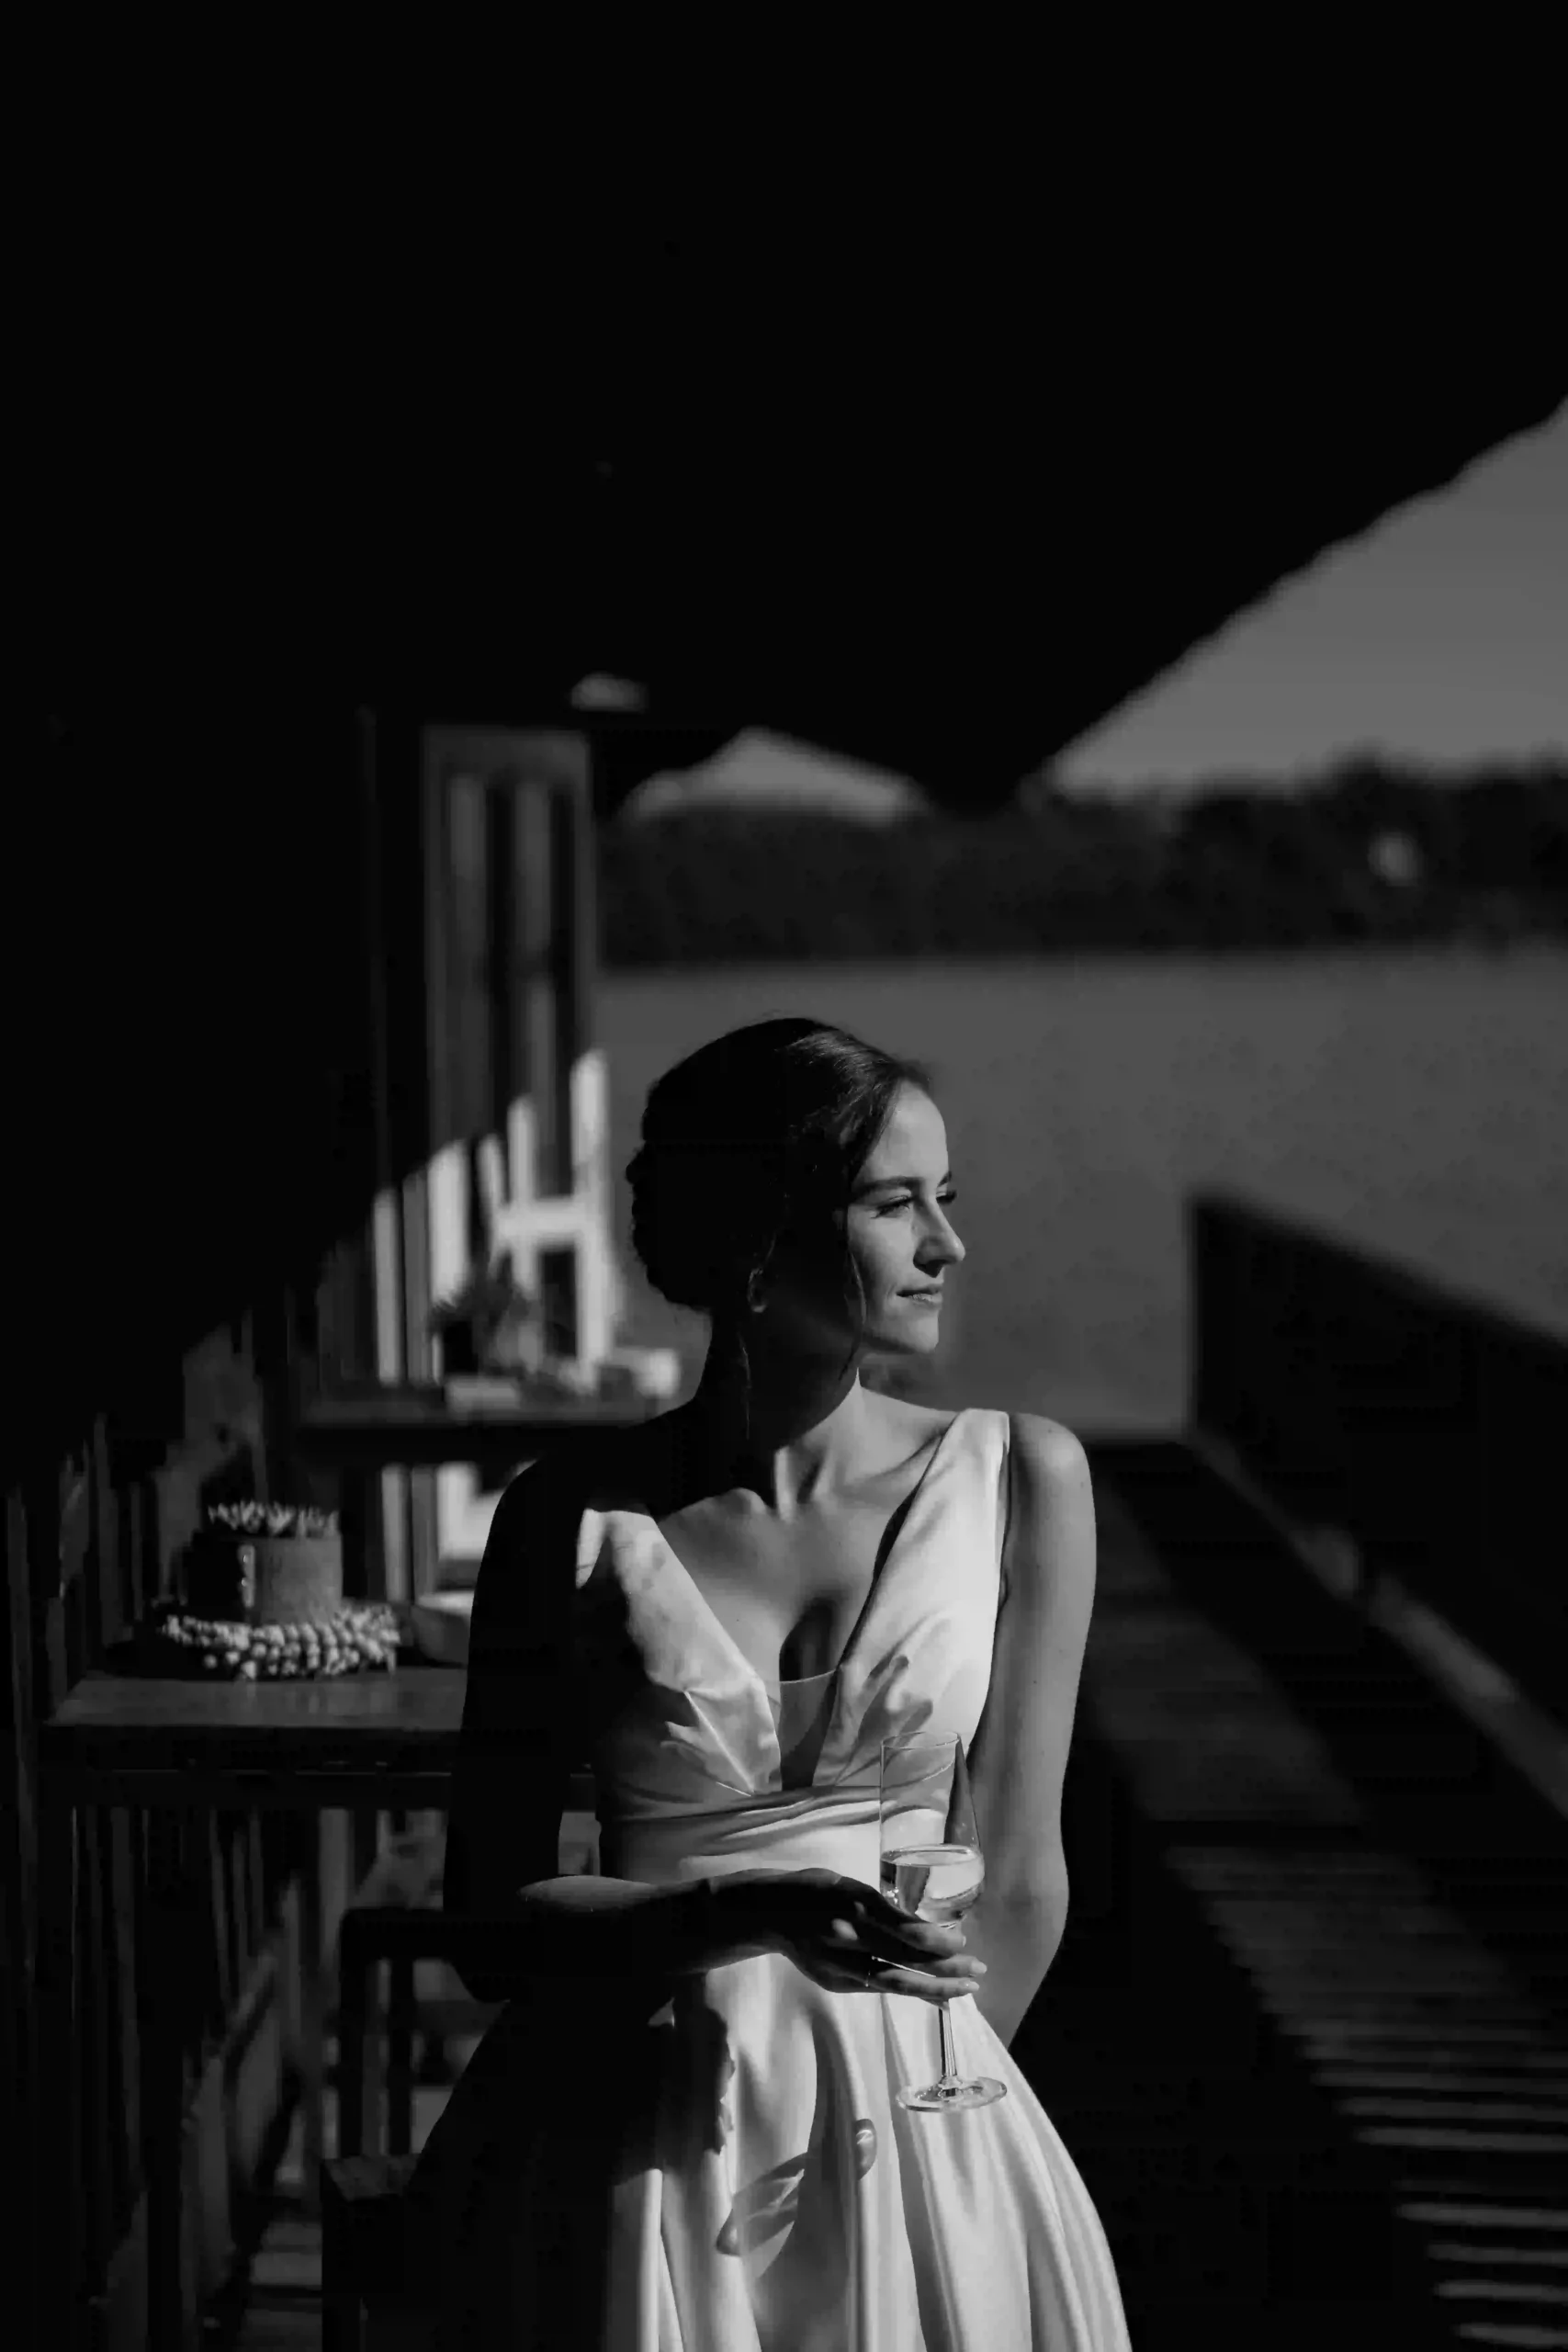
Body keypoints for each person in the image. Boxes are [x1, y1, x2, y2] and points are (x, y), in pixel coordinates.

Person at [373, 1017, 1132, 2348]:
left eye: (942, 1200)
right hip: (615, 2136)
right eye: (896, 1204)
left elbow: (1019, 1878)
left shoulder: (1022, 1481)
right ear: (759, 1236)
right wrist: (734, 1913)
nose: (947, 1247)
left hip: (927, 2130)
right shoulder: (560, 1518)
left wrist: (917, 2116)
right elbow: (492, 1925)